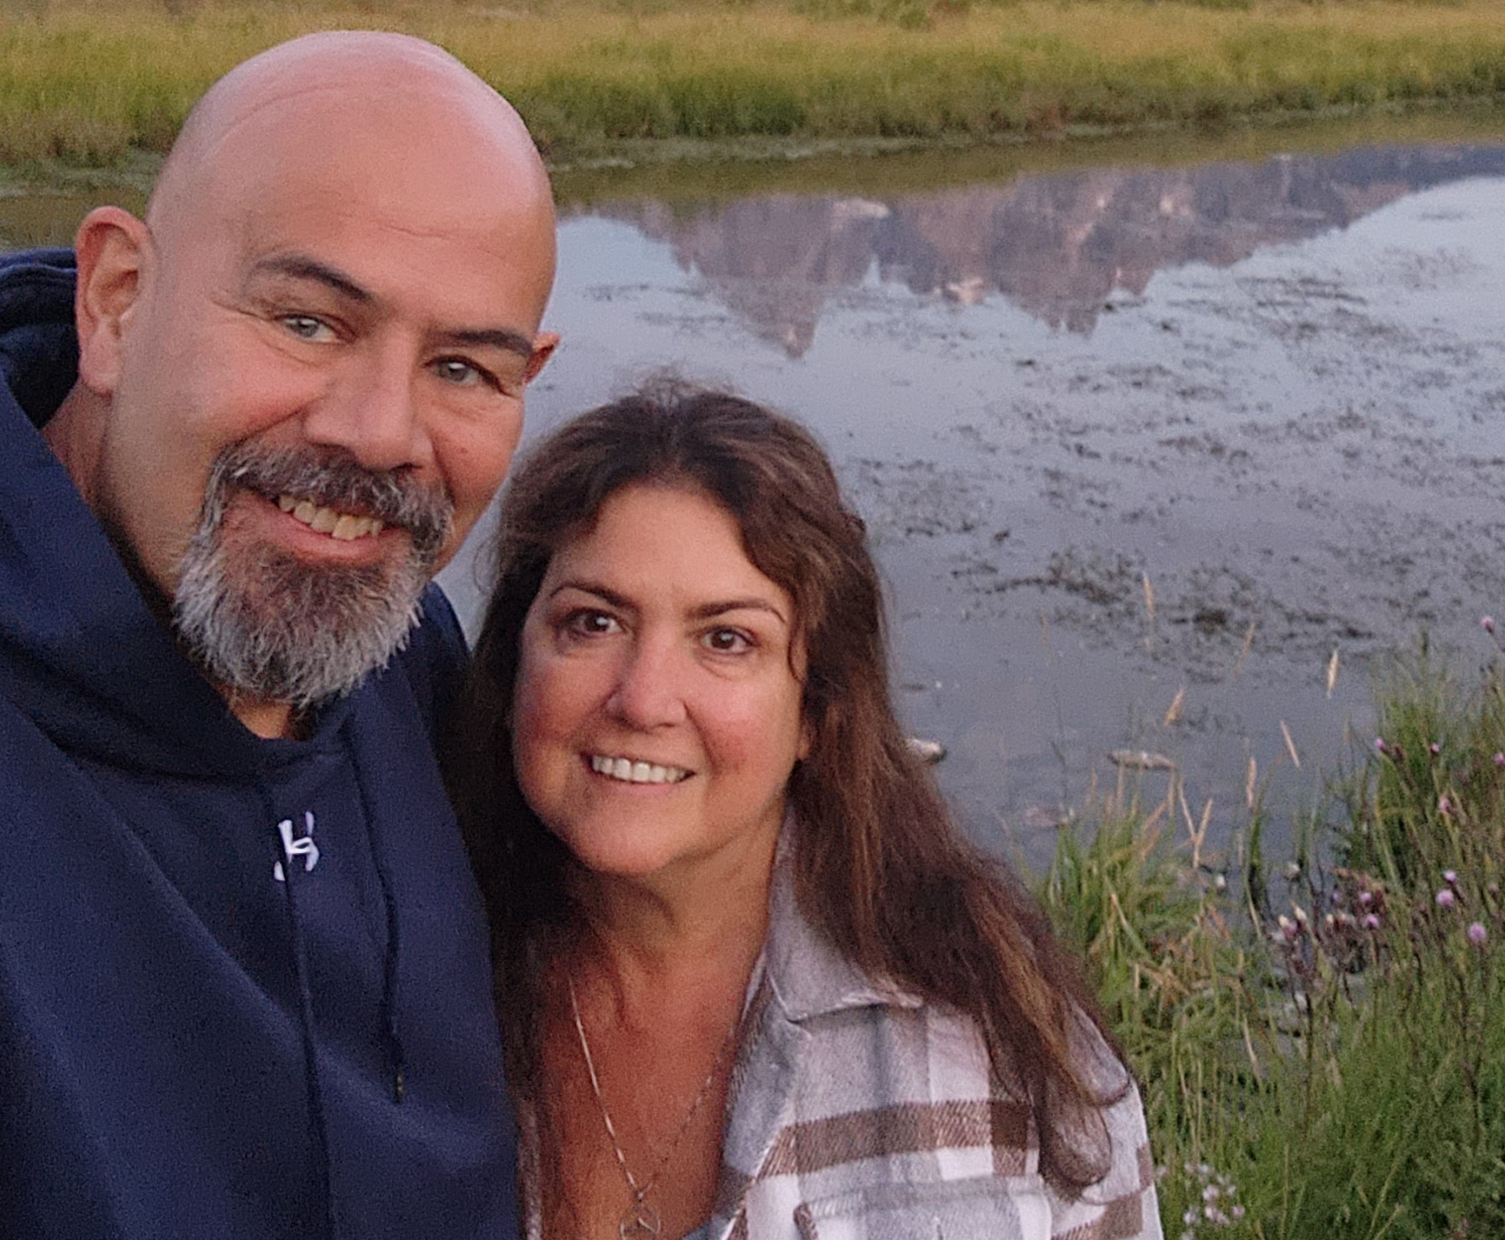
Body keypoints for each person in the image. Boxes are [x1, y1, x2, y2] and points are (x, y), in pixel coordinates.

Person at [0, 32, 562, 1239]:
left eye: (462, 370)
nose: (383, 434)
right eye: (310, 323)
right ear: (116, 298)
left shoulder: (389, 643)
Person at [448, 384, 1161, 1240]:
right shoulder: (396, 989)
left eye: (726, 639)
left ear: (817, 714)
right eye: (593, 622)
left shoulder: (1005, 1071)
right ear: (516, 659)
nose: (643, 699)